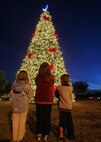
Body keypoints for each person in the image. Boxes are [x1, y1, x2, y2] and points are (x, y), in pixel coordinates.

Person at [10, 70, 33, 142]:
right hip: (23, 106)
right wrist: (26, 97)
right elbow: (31, 94)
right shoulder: (27, 85)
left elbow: (11, 93)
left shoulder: (14, 84)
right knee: (22, 123)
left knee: (15, 122)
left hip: (15, 106)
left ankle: (14, 138)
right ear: (26, 76)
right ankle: (19, 138)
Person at [35, 62, 54, 142]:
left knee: (39, 117)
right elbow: (52, 86)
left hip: (39, 99)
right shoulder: (51, 77)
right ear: (48, 69)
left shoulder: (37, 77)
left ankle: (39, 134)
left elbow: (37, 85)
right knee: (47, 118)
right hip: (48, 100)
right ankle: (45, 134)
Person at [55, 74, 75, 140]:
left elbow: (56, 95)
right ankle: (71, 135)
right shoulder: (70, 88)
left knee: (62, 122)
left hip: (62, 107)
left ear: (62, 80)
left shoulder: (59, 88)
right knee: (69, 122)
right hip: (69, 107)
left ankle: (61, 135)